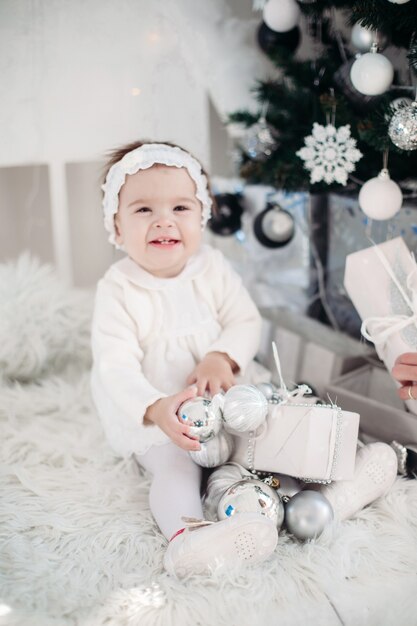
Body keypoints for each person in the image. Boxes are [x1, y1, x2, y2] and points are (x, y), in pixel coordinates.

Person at [91, 140, 278, 579]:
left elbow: (245, 320)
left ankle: (261, 508)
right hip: (160, 410)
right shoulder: (118, 289)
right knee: (178, 465)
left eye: (180, 208)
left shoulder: (212, 267)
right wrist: (156, 408)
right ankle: (187, 541)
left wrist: (219, 356)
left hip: (221, 393)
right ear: (115, 227)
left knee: (264, 440)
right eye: (142, 210)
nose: (163, 221)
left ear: (202, 216)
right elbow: (114, 366)